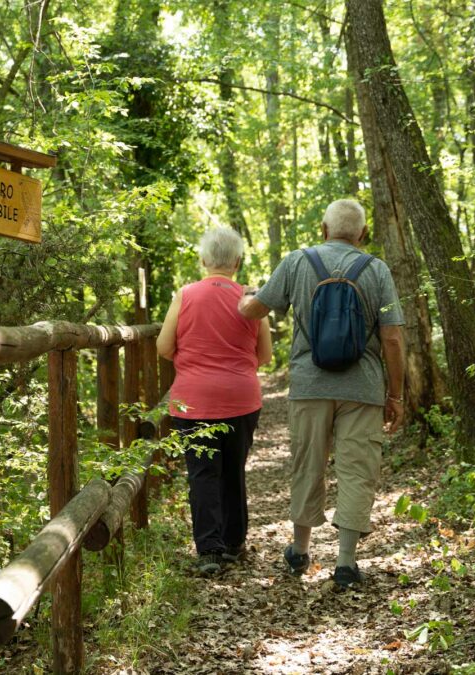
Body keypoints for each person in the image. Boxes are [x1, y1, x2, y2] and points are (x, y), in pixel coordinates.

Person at [237, 199, 406, 589]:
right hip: (362, 388)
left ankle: (300, 550)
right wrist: (394, 394)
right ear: (363, 234)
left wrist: (243, 295)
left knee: (308, 463)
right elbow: (392, 338)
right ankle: (346, 563)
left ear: (323, 229)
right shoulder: (377, 269)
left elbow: (255, 310)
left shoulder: (298, 262)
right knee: (356, 468)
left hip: (309, 386)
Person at [157, 226, 273, 577]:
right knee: (233, 469)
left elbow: (163, 347)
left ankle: (209, 549)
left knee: (203, 473)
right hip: (241, 398)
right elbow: (265, 356)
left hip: (194, 401)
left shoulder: (185, 295)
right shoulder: (254, 300)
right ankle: (235, 542)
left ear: (204, 260)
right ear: (237, 262)